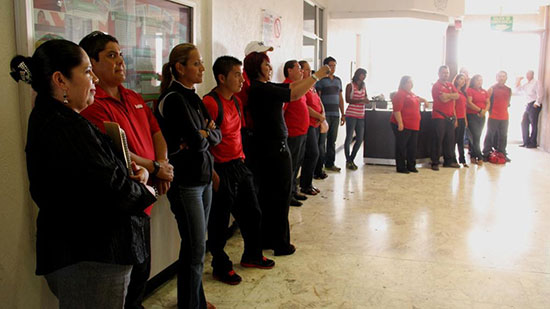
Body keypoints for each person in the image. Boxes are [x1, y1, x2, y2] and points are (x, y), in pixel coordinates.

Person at [10, 39, 157, 308]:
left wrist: (133, 173)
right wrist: (145, 191)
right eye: (87, 72)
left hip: (86, 253)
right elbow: (110, 188)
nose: (95, 81)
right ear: (60, 80)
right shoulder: (64, 126)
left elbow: (98, 176)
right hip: (90, 257)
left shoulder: (60, 119)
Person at [78, 31, 173, 309]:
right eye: (111, 55)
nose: (120, 61)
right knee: (127, 280)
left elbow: (156, 133)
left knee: (142, 273)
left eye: (120, 54)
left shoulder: (133, 96)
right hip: (122, 207)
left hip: (144, 197)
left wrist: (162, 165)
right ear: (91, 65)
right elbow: (118, 153)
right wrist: (156, 167)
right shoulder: (91, 107)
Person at [244, 51, 329, 256]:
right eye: (266, 64)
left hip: (272, 147)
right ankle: (280, 243)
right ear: (256, 67)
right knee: (279, 197)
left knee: (270, 196)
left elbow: (291, 88)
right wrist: (316, 76)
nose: (270, 68)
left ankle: (269, 239)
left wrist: (311, 78)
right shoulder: (259, 89)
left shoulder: (264, 87)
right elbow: (294, 94)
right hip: (273, 149)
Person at [156, 43, 220, 309]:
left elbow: (216, 136)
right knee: (195, 250)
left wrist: (204, 134)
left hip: (203, 178)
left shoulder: (194, 96)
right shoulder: (173, 99)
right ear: (179, 68)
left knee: (195, 248)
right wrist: (202, 134)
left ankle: (196, 302)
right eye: (196, 63)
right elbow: (198, 141)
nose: (202, 68)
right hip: (186, 183)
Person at [203, 56, 274, 285]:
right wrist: (212, 173)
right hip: (220, 169)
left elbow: (237, 134)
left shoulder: (235, 101)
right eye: (236, 74)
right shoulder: (210, 103)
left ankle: (252, 255)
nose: (242, 79)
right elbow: (203, 141)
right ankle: (220, 266)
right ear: (222, 78)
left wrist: (244, 161)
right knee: (219, 222)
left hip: (239, 165)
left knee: (253, 213)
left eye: (242, 74)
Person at [282, 60, 310, 206]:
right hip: (292, 135)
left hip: (302, 132)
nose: (301, 72)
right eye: (298, 69)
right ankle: (288, 195)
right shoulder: (286, 88)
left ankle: (294, 190)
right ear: (289, 71)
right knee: (291, 167)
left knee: (297, 164)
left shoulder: (299, 87)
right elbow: (281, 112)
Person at [390, 76, 429, 173]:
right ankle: (401, 167)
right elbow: (397, 110)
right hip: (403, 124)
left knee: (412, 146)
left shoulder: (411, 94)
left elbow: (418, 99)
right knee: (401, 146)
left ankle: (411, 165)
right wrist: (400, 123)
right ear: (403, 83)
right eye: (408, 82)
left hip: (414, 125)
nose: (410, 84)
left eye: (411, 82)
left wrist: (425, 100)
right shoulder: (400, 94)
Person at [316, 56, 345, 172]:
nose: (333, 68)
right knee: (322, 141)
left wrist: (343, 113)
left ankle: (330, 163)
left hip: (335, 115)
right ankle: (319, 166)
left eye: (334, 66)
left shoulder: (338, 80)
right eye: (330, 66)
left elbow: (340, 98)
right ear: (325, 66)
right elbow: (317, 98)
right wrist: (320, 115)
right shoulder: (320, 80)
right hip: (324, 115)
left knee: (332, 140)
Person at [299, 60, 324, 195]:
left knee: (315, 153)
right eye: (306, 70)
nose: (309, 72)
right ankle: (305, 184)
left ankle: (308, 183)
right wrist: (318, 116)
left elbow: (319, 101)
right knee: (312, 153)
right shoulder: (301, 87)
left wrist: (322, 115)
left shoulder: (312, 86)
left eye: (310, 70)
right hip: (307, 124)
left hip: (316, 123)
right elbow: (305, 107)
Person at [431, 65, 460, 171]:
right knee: (438, 140)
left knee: (450, 140)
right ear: (439, 74)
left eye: (447, 73)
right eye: (443, 73)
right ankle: (435, 162)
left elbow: (457, 96)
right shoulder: (436, 86)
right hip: (439, 116)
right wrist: (450, 96)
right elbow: (442, 99)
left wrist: (448, 95)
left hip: (450, 117)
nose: (445, 74)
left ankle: (448, 161)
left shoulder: (450, 85)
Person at [483, 71, 512, 162]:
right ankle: (486, 153)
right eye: (499, 76)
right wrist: (489, 112)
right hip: (493, 116)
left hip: (504, 116)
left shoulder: (509, 90)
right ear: (496, 77)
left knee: (503, 136)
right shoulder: (492, 88)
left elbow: (508, 102)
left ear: (506, 78)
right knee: (490, 135)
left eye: (503, 76)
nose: (501, 78)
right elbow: (486, 102)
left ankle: (502, 153)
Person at [344, 68, 369, 170]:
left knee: (359, 139)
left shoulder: (363, 86)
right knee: (349, 137)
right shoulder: (350, 85)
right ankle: (348, 160)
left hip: (361, 115)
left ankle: (351, 159)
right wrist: (361, 100)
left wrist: (365, 100)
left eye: (365, 75)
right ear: (357, 74)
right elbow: (348, 100)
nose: (363, 76)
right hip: (351, 115)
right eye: (362, 74)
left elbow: (366, 97)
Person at [466, 74, 491, 165]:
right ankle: (479, 156)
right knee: (475, 136)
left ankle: (473, 155)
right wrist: (479, 110)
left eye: (481, 80)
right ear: (473, 81)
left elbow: (488, 102)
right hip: (472, 115)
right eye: (477, 80)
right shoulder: (470, 90)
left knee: (477, 136)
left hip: (482, 116)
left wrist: (484, 111)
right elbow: (469, 102)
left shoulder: (484, 91)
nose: (479, 82)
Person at [516, 70, 543, 148]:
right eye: (527, 74)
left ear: (532, 75)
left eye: (529, 74)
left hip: (534, 104)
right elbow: (518, 89)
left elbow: (540, 93)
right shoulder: (526, 84)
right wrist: (518, 81)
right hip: (528, 105)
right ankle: (526, 142)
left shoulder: (536, 82)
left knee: (533, 124)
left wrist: (537, 103)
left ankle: (533, 143)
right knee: (524, 122)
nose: (527, 76)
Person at [452, 73, 469, 167]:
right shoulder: (454, 91)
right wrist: (455, 119)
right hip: (456, 118)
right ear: (456, 80)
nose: (462, 81)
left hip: (462, 118)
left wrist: (465, 119)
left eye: (464, 80)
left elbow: (464, 108)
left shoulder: (463, 93)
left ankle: (462, 160)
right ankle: (453, 159)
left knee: (461, 141)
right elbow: (453, 106)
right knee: (454, 140)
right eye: (460, 79)